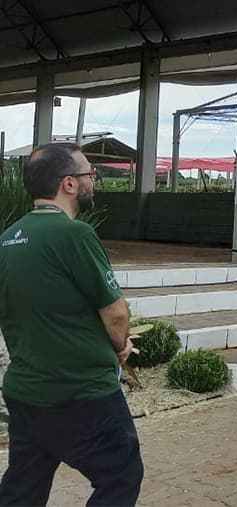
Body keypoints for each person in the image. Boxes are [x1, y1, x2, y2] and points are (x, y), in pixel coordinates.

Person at [0, 143, 143, 505]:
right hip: (80, 391)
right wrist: (120, 345)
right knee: (121, 473)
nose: (92, 181)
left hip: (26, 390)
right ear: (68, 184)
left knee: (24, 487)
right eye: (88, 175)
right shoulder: (74, 235)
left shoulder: (6, 241)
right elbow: (116, 313)